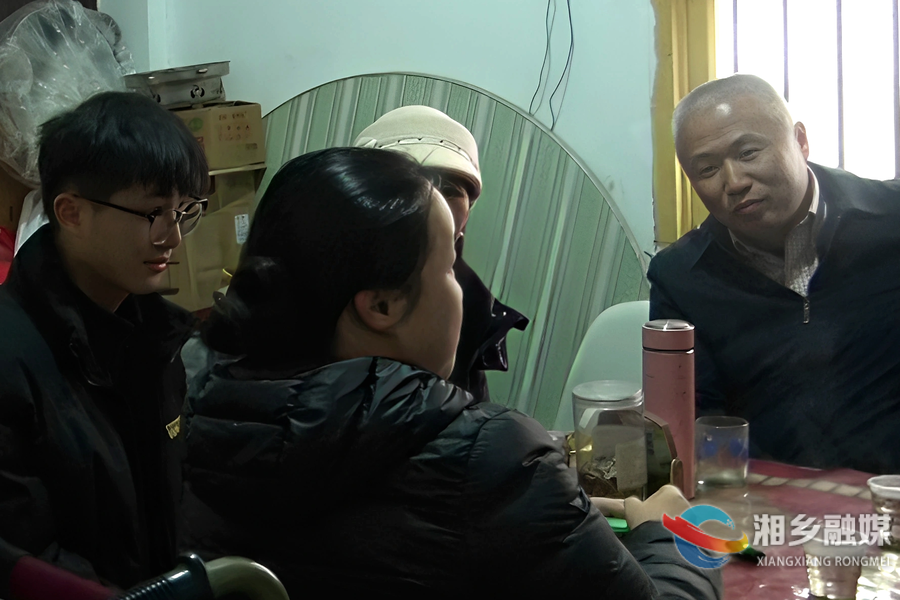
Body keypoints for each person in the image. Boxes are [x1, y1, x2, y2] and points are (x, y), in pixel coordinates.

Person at [178, 146, 722, 598]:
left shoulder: (203, 420)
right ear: (382, 306)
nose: (465, 289)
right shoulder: (488, 457)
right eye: (448, 266)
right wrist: (670, 533)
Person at [0, 91, 209, 594]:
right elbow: (25, 557)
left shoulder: (159, 338)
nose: (173, 237)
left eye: (184, 211)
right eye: (153, 213)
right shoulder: (11, 357)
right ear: (71, 213)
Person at [648, 73, 900, 473]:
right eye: (708, 169)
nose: (734, 182)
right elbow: (692, 427)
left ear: (800, 141)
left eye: (748, 153)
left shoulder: (890, 220)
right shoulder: (681, 276)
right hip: (762, 498)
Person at [354, 106, 528, 402]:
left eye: (448, 188)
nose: (430, 200)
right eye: (408, 185)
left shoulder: (475, 311)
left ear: (467, 214)